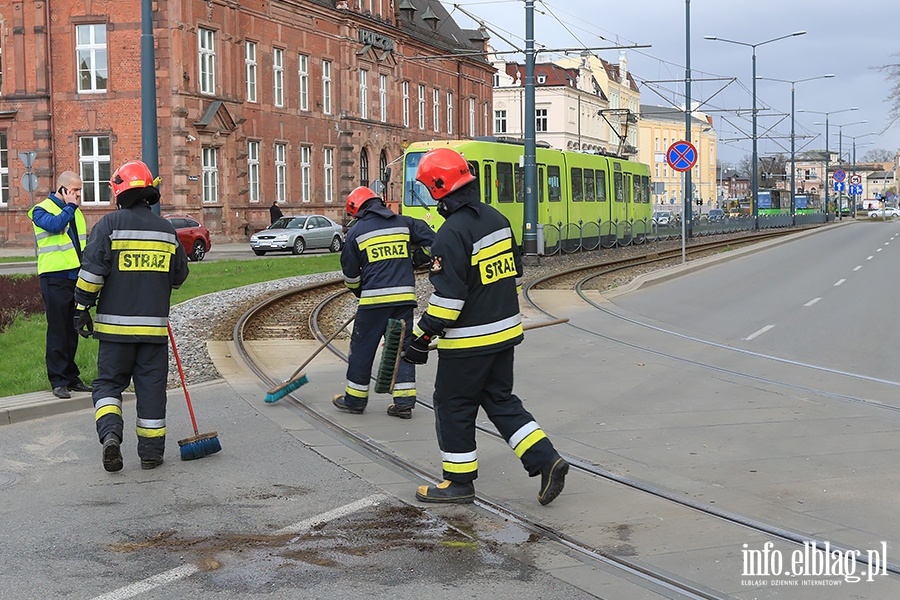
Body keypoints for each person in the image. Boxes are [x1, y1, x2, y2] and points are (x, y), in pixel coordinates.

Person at [404, 147, 568, 505]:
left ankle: (458, 482)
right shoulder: (496, 219)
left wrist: (420, 335)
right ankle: (546, 459)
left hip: (468, 341)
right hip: (505, 333)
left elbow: (449, 299)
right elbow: (515, 272)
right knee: (499, 399)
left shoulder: (451, 232)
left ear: (437, 187)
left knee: (452, 404)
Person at [74, 160, 189, 472]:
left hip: (114, 333)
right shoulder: (167, 230)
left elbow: (91, 275)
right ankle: (151, 453)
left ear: (118, 189)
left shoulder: (108, 226)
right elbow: (179, 277)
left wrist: (81, 308)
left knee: (108, 386)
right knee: (151, 391)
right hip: (152, 334)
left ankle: (111, 435)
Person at [332, 186, 434, 419]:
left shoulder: (356, 233)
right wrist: (418, 260)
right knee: (402, 348)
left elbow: (350, 274)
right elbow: (436, 243)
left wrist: (360, 291)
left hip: (374, 302)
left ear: (356, 210)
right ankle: (404, 403)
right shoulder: (405, 223)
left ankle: (355, 400)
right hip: (404, 300)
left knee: (362, 348)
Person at [27, 170, 93, 399]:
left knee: (71, 329)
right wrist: (71, 207)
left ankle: (71, 378)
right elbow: (54, 226)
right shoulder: (40, 209)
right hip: (53, 277)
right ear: (62, 189)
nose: (78, 196)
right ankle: (57, 381)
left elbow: (80, 244)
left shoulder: (74, 212)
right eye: (74, 191)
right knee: (57, 330)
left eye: (79, 191)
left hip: (75, 277)